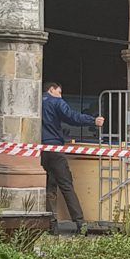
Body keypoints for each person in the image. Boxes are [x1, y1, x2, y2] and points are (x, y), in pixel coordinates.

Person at [41, 82, 105, 233]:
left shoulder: (35, 102)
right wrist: (93, 121)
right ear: (51, 89)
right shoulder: (56, 102)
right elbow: (71, 117)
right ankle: (80, 224)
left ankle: (52, 223)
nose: (60, 95)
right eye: (59, 92)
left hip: (38, 150)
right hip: (55, 148)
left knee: (48, 187)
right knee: (66, 185)